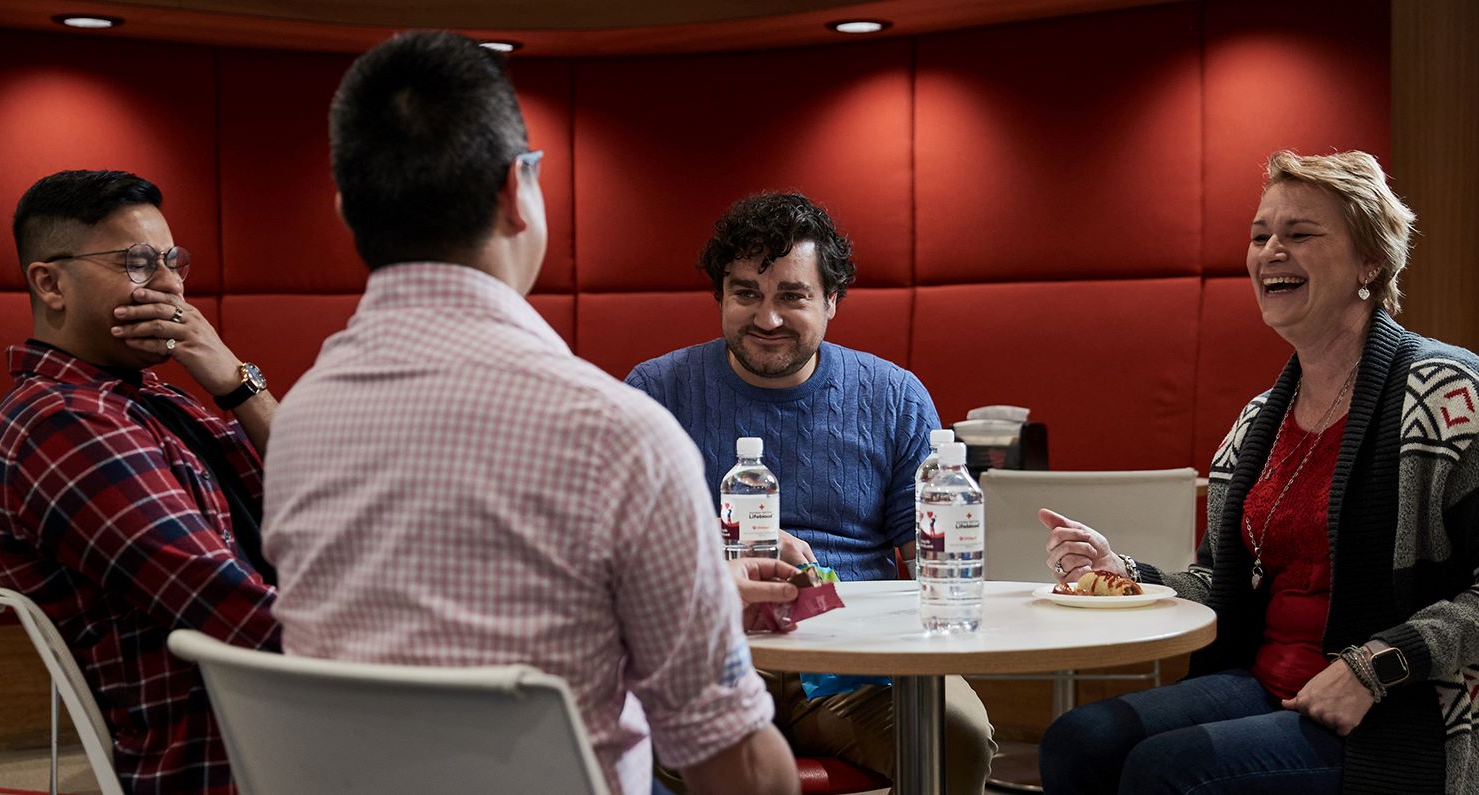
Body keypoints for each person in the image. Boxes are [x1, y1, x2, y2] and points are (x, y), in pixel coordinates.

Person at [259, 31, 796, 795]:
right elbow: (740, 771)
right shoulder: (622, 436)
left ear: (350, 210)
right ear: (517, 190)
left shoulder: (301, 418)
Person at [1037, 150, 1479, 794]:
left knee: (1166, 771)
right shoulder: (1259, 421)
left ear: (1371, 261)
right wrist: (1125, 574)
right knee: (1078, 742)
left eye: (1299, 234)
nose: (1270, 250)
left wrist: (1376, 666)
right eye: (1259, 235)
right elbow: (1223, 582)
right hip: (1263, 680)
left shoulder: (1448, 394)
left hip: (1398, 707)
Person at [626, 192, 996, 793]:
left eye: (792, 296)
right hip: (709, 660)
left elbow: (938, 561)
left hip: (859, 667)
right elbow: (620, 561)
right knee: (637, 737)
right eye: (746, 293)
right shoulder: (657, 392)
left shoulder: (894, 397)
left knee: (956, 734)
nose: (766, 319)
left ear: (831, 302)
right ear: (720, 297)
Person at [0, 169, 280, 794]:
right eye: (137, 263)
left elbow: (317, 494)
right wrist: (406, 653)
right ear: (51, 283)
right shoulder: (62, 424)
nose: (171, 284)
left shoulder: (155, 396)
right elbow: (228, 608)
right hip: (234, 754)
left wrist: (236, 382)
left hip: (286, 719)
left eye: (172, 261)